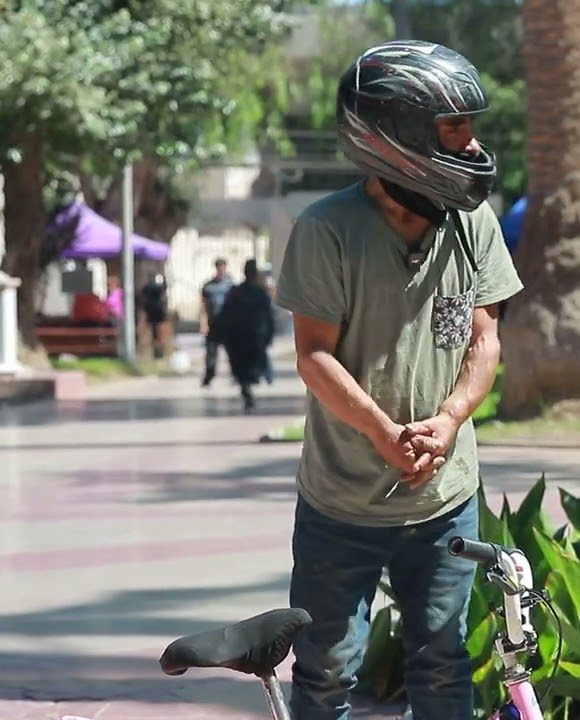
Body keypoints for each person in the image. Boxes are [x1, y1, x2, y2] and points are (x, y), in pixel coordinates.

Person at [273, 40, 522, 720]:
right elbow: (314, 355)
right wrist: (382, 434)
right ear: (397, 133)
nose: (471, 143)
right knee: (325, 672)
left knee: (444, 667)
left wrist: (448, 422)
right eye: (453, 127)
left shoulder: (474, 222)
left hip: (444, 498)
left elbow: (484, 336)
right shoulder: (327, 230)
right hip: (340, 505)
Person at [210, 260, 275, 412]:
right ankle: (251, 386)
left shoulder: (236, 292)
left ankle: (248, 387)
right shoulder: (259, 294)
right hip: (252, 337)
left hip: (240, 338)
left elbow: (225, 314)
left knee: (243, 370)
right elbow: (269, 317)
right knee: (248, 368)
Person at [199, 258, 234, 387]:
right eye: (219, 267)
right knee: (211, 353)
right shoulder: (208, 286)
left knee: (232, 352)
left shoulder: (230, 286)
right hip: (213, 324)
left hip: (228, 325)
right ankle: (209, 375)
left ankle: (236, 375)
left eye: (223, 267)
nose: (221, 270)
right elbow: (202, 306)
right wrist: (203, 324)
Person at [139, 273, 169, 359]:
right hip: (158, 310)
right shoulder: (159, 287)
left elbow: (142, 295)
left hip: (151, 310)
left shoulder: (147, 287)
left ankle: (152, 350)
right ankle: (159, 350)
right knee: (159, 331)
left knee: (153, 331)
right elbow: (164, 291)